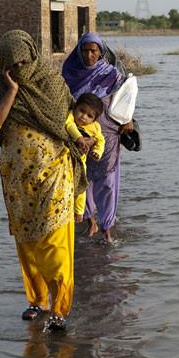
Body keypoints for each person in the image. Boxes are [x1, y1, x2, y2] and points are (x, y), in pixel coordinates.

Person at [0, 30, 88, 332]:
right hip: (17, 183)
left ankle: (60, 308)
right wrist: (11, 90)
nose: (19, 69)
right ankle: (38, 300)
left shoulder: (51, 82)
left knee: (54, 244)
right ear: (3, 64)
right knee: (28, 244)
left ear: (32, 55)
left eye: (24, 61)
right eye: (12, 65)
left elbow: (64, 121)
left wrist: (83, 140)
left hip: (54, 176)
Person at [62, 32, 135, 244]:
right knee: (80, 178)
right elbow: (63, 105)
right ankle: (90, 220)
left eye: (93, 51)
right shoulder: (69, 72)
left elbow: (125, 101)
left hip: (108, 137)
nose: (89, 55)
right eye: (85, 50)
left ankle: (107, 227)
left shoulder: (111, 74)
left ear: (101, 52)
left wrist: (129, 119)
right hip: (78, 136)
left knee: (107, 182)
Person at [65, 93, 105, 225]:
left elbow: (100, 140)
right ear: (75, 107)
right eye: (81, 111)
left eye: (89, 116)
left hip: (81, 160)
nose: (83, 117)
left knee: (81, 186)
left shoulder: (95, 126)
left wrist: (97, 152)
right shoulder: (70, 115)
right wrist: (79, 138)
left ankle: (80, 212)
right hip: (65, 159)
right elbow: (68, 125)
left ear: (94, 119)